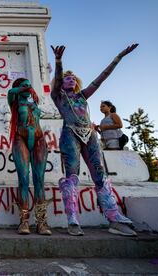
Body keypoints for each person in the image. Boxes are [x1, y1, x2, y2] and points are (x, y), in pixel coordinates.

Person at [51, 44, 138, 237]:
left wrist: (119, 57)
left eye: (73, 78)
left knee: (100, 175)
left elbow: (101, 78)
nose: (70, 80)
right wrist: (58, 62)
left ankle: (114, 218)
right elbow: (57, 81)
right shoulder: (58, 96)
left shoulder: (83, 96)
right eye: (67, 78)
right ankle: (72, 219)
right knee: (71, 175)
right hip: (70, 134)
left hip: (90, 135)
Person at [7, 78, 51, 235]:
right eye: (23, 85)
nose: (27, 87)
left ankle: (42, 222)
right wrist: (23, 88)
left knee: (39, 180)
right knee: (23, 179)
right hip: (21, 139)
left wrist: (30, 90)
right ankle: (24, 221)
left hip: (39, 140)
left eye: (28, 84)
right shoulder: (14, 102)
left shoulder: (35, 103)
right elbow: (10, 92)